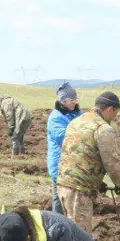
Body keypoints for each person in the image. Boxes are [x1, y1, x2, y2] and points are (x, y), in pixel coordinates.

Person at [56, 91, 120, 232]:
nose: (114, 118)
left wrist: (97, 182)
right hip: (79, 190)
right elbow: (111, 161)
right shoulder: (103, 128)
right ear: (109, 109)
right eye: (115, 113)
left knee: (69, 232)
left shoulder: (76, 121)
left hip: (63, 184)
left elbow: (78, 152)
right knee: (80, 237)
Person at [46, 82, 82, 213]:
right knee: (58, 196)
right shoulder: (56, 118)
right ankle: (57, 223)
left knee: (73, 195)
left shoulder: (77, 113)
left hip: (74, 162)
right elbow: (64, 140)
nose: (74, 102)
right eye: (71, 100)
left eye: (75, 99)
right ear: (63, 101)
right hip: (59, 162)